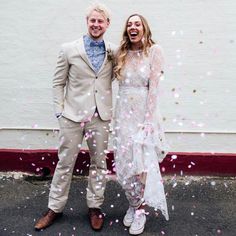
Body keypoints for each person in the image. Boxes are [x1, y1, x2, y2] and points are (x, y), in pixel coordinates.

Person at [34, 3, 116, 231]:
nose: (96, 24)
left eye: (101, 21)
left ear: (107, 24)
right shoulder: (69, 49)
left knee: (99, 164)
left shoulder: (114, 51)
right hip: (71, 116)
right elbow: (58, 82)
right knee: (65, 163)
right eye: (93, 20)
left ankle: (95, 207)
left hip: (100, 116)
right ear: (87, 22)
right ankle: (54, 208)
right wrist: (59, 112)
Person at [113, 14, 169, 235]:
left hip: (143, 114)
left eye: (137, 24)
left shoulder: (155, 52)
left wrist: (148, 121)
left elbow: (154, 88)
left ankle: (140, 211)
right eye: (129, 24)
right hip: (122, 114)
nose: (133, 27)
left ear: (144, 28)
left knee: (141, 164)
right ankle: (133, 202)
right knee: (125, 161)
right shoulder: (120, 53)